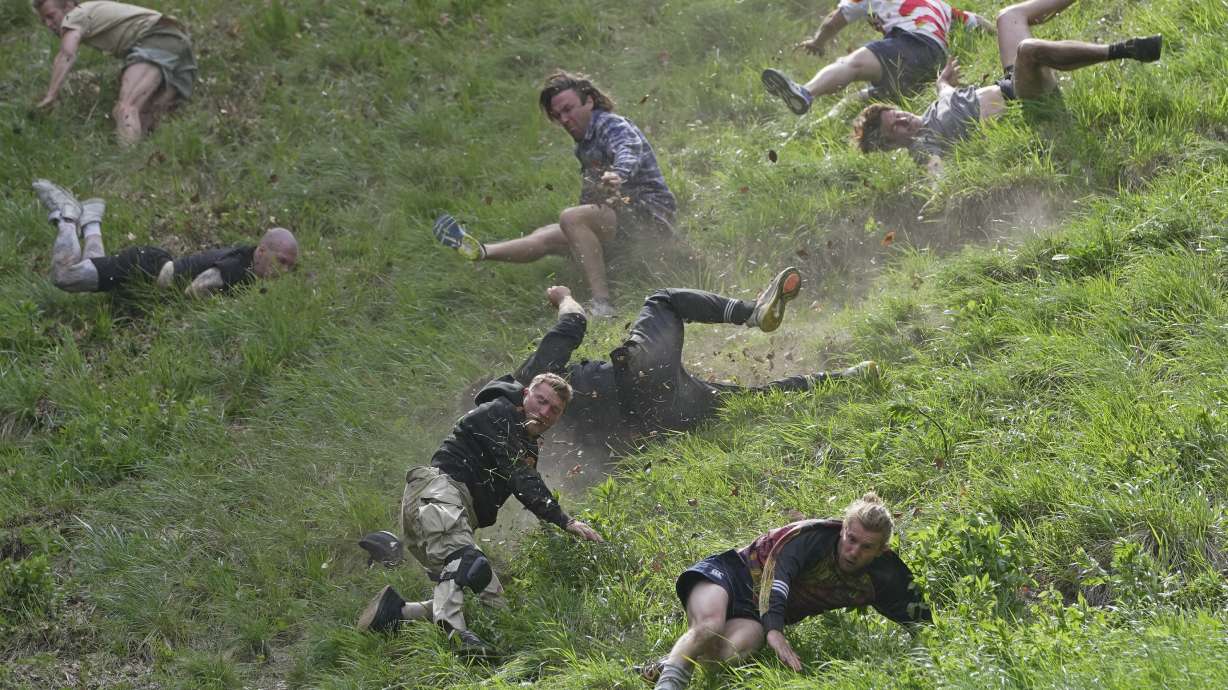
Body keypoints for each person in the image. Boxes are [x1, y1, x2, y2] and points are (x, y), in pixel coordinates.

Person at [356, 372, 604, 656]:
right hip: (437, 495)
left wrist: (555, 535)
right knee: (467, 562)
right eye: (541, 400)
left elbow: (526, 487)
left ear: (559, 418)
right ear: (526, 395)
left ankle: (394, 613)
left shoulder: (525, 443)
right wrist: (565, 521)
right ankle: (456, 638)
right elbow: (522, 479)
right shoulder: (500, 413)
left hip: (445, 512)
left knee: (489, 594)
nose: (544, 412)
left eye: (554, 410)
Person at [511, 267, 876, 448]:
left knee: (751, 399)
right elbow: (574, 319)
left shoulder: (526, 441)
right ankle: (751, 312)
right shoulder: (531, 376)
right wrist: (562, 295)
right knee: (664, 300)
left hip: (657, 421)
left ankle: (850, 377)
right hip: (638, 373)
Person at [432, 70, 676, 318]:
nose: (565, 119)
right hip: (620, 219)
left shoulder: (610, 124)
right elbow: (593, 197)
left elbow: (628, 148)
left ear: (589, 100)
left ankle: (603, 304)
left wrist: (618, 174)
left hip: (650, 215)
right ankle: (482, 252)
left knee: (571, 218)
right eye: (558, 115)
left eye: (568, 109)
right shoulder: (584, 145)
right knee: (546, 235)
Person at [643, 493, 930, 689]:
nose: (853, 552)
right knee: (709, 626)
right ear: (842, 530)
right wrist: (775, 631)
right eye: (850, 540)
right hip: (730, 576)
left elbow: (921, 622)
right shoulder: (811, 538)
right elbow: (777, 579)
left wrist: (929, 657)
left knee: (730, 652)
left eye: (866, 547)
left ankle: (669, 662)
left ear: (882, 550)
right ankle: (669, 684)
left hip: (752, 614)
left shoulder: (885, 576)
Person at [851, 0, 1161, 171]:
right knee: (1028, 51)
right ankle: (1125, 50)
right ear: (893, 145)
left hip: (1012, 82)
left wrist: (943, 81)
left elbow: (944, 90)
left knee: (1007, 16)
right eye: (897, 128)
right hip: (1026, 103)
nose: (905, 121)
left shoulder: (933, 110)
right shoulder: (922, 146)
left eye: (898, 115)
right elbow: (935, 170)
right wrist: (939, 188)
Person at [32, 179, 297, 296]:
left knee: (94, 267)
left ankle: (91, 220)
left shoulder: (249, 263)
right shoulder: (237, 267)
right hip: (146, 267)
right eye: (282, 261)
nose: (284, 271)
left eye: (289, 266)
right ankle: (67, 215)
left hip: (152, 265)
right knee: (65, 276)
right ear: (262, 251)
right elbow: (196, 290)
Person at [761, 0, 992, 117]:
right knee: (860, 98)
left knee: (850, 64)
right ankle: (820, 126)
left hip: (910, 44)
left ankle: (806, 93)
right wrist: (1004, 29)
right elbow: (977, 21)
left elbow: (834, 20)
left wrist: (817, 42)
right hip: (933, 65)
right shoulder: (940, 5)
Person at [32, 0, 197, 145]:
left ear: (68, 5)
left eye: (50, 16)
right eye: (43, 20)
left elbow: (66, 54)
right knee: (148, 112)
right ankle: (147, 165)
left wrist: (51, 96)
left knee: (125, 109)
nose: (48, 24)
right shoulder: (90, 11)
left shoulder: (75, 14)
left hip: (157, 38)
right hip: (179, 42)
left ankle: (128, 172)